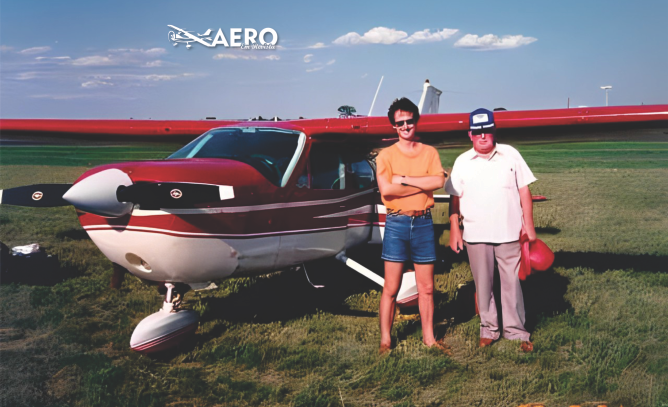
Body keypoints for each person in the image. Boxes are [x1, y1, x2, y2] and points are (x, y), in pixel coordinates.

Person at [446, 108, 536, 352]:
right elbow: (454, 198)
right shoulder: (462, 161)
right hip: (476, 235)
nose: (483, 136)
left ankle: (515, 331)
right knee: (483, 285)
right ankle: (489, 329)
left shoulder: (511, 155)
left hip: (509, 232)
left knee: (512, 284)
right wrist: (455, 228)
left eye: (487, 130)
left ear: (494, 131)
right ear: (470, 134)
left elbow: (524, 191)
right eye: (478, 132)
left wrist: (529, 226)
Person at [375, 97, 447, 354]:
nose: (405, 126)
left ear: (416, 121)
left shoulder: (430, 152)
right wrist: (421, 182)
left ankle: (429, 339)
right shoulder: (386, 156)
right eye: (399, 123)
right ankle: (385, 340)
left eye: (409, 121)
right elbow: (387, 190)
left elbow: (438, 181)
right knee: (391, 288)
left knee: (427, 288)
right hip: (396, 223)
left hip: (424, 223)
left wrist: (403, 179)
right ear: (394, 126)